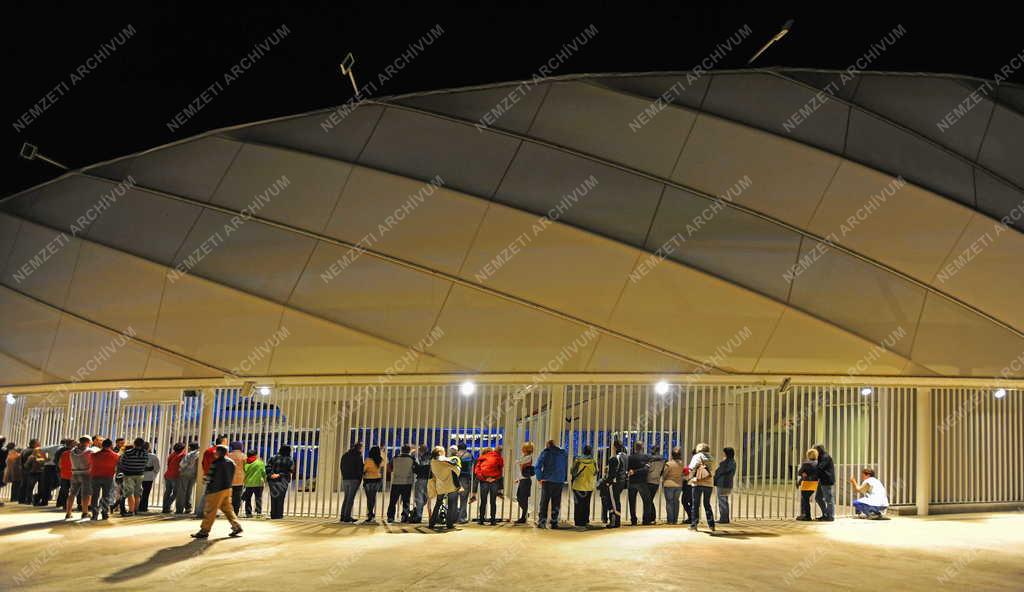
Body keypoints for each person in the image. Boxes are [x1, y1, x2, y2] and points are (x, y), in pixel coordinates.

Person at [191, 445, 243, 539]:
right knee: (228, 510)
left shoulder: (216, 463)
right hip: (227, 489)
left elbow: (209, 477)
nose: (215, 453)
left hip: (215, 490)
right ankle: (236, 526)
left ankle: (204, 530)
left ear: (219, 452)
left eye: (216, 451)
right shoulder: (231, 462)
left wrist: (205, 481)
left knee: (210, 511)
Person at [534, 439, 568, 529]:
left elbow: (537, 467)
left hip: (547, 481)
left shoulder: (546, 453)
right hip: (559, 481)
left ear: (548, 445)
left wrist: (539, 478)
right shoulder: (563, 453)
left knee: (544, 503)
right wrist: (563, 478)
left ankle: (542, 522)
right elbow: (565, 466)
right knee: (556, 503)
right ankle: (554, 522)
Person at [427, 445, 460, 530]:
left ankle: (432, 523)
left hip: (440, 485)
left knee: (438, 504)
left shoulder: (432, 461)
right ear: (440, 452)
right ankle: (449, 524)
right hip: (450, 485)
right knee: (451, 505)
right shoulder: (445, 461)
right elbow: (456, 469)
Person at [195, 435, 228, 519]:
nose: (227, 443)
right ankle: (208, 512)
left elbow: (203, 463)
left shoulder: (207, 451)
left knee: (207, 494)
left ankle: (201, 512)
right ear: (222, 442)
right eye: (226, 441)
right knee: (216, 495)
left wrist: (206, 472)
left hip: (208, 474)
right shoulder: (222, 452)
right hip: (218, 476)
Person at [598, 440, 627, 528]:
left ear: (614, 447)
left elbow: (612, 474)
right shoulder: (625, 456)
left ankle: (614, 521)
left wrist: (607, 482)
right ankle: (617, 520)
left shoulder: (614, 458)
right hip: (622, 482)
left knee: (612, 502)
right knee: (616, 501)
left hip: (614, 483)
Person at [688, 443, 715, 532]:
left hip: (698, 482)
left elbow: (691, 468)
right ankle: (711, 525)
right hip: (709, 483)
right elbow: (713, 471)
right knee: (707, 504)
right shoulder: (712, 458)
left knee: (695, 505)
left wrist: (690, 478)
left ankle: (694, 525)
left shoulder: (697, 456)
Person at [474, 446, 504, 525]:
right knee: (493, 502)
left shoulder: (481, 459)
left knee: (483, 501)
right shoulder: (497, 457)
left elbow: (477, 471)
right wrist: (495, 478)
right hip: (494, 481)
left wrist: (484, 479)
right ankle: (493, 520)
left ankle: (481, 519)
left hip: (484, 482)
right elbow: (500, 471)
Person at [90, 439, 119, 520]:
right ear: (111, 446)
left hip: (95, 477)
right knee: (106, 496)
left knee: (95, 496)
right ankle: (104, 513)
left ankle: (94, 514)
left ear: (102, 445)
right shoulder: (116, 456)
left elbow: (91, 464)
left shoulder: (93, 455)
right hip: (108, 477)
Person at [119, 438, 148, 516]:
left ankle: (131, 511)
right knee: (137, 493)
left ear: (134, 444)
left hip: (129, 474)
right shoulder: (145, 453)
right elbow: (146, 463)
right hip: (140, 474)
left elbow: (122, 462)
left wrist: (126, 468)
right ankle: (136, 510)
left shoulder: (128, 452)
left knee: (129, 492)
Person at [66, 436, 93, 520]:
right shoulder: (90, 451)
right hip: (86, 474)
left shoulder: (72, 451)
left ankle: (68, 513)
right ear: (88, 442)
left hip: (74, 473)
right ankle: (85, 512)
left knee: (72, 493)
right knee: (85, 494)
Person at [626, 441, 653, 526]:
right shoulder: (646, 457)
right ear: (642, 447)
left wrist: (633, 471)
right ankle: (646, 520)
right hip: (642, 482)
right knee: (647, 501)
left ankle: (633, 520)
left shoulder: (630, 457)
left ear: (635, 447)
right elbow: (646, 469)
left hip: (632, 482)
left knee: (632, 502)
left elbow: (628, 469)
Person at [570, 445, 597, 528]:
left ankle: (578, 522)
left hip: (578, 486)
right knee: (586, 504)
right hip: (589, 486)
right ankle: (585, 521)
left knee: (578, 505)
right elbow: (595, 472)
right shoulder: (593, 461)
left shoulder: (578, 460)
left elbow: (573, 472)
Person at [387, 445, 415, 523]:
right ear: (409, 451)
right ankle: (404, 517)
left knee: (393, 501)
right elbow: (415, 468)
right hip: (407, 482)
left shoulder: (395, 458)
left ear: (401, 450)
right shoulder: (411, 459)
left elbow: (389, 468)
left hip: (396, 482)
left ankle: (390, 517)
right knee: (406, 501)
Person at [266, 445, 295, 519]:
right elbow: (290, 471)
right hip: (283, 480)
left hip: (272, 480)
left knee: (273, 497)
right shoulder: (290, 460)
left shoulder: (272, 457)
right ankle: (279, 515)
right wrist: (279, 474)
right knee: (281, 498)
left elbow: (267, 467)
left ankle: (273, 515)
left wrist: (272, 474)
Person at [339, 443, 364, 523]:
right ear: (359, 448)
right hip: (354, 479)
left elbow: (341, 466)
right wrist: (359, 479)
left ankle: (343, 516)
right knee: (350, 499)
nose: (363, 450)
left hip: (345, 479)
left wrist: (344, 476)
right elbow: (360, 469)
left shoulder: (345, 455)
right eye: (362, 448)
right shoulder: (358, 456)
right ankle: (347, 517)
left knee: (346, 498)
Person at [662, 447, 687, 524]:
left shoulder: (668, 464)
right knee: (676, 502)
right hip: (678, 485)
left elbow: (664, 474)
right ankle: (675, 520)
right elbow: (683, 474)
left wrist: (664, 480)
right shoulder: (681, 464)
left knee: (669, 502)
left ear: (672, 455)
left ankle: (670, 520)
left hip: (669, 484)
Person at [409, 444, 431, 524]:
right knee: (426, 498)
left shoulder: (418, 458)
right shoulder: (431, 457)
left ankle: (418, 515)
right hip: (429, 480)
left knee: (419, 498)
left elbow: (416, 469)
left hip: (421, 479)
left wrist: (415, 467)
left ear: (421, 450)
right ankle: (429, 515)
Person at [514, 442, 535, 524]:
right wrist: (518, 479)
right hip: (523, 480)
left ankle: (524, 516)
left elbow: (518, 462)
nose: (521, 448)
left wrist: (519, 462)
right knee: (519, 497)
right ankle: (525, 513)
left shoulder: (528, 457)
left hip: (525, 481)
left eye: (523, 447)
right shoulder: (525, 457)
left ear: (526, 449)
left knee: (523, 499)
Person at [176, 442, 200, 514]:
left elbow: (182, 464)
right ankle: (188, 508)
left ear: (190, 447)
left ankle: (179, 509)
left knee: (182, 491)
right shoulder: (199, 454)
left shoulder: (189, 454)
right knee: (189, 491)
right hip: (194, 475)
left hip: (185, 474)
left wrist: (180, 469)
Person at [796, 448, 819, 521]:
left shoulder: (806, 463)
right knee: (806, 499)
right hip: (815, 483)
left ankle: (807, 515)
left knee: (805, 499)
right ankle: (805, 515)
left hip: (806, 483)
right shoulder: (818, 463)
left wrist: (803, 473)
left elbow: (799, 472)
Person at [242, 448, 266, 518]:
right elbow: (263, 472)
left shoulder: (245, 463)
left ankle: (248, 513)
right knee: (258, 498)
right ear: (255, 455)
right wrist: (265, 479)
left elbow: (245, 471)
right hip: (258, 483)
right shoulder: (260, 463)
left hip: (248, 484)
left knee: (248, 499)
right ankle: (258, 513)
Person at [714, 447, 736, 524]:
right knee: (724, 501)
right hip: (727, 483)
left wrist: (722, 462)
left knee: (722, 501)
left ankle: (723, 518)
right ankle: (724, 518)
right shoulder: (732, 462)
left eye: (724, 452)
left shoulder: (728, 462)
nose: (723, 454)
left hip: (723, 483)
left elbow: (721, 471)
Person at [813, 444, 835, 521]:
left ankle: (830, 516)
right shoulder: (821, 457)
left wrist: (812, 462)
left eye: (814, 450)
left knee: (828, 498)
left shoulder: (825, 457)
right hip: (822, 480)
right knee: (818, 498)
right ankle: (825, 514)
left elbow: (820, 468)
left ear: (818, 450)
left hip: (827, 480)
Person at [362, 445, 384, 523]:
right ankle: (371, 513)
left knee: (369, 498)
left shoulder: (368, 460)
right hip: (377, 480)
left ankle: (370, 513)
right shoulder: (380, 460)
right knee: (373, 497)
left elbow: (364, 470)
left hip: (368, 480)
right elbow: (382, 467)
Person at [645, 445, 666, 524]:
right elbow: (662, 471)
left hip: (649, 480)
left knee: (649, 500)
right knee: (650, 500)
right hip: (656, 481)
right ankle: (652, 518)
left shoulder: (651, 460)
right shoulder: (663, 460)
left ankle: (651, 518)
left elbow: (648, 470)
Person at [162, 443, 186, 513]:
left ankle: (165, 508)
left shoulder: (171, 454)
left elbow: (168, 464)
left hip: (167, 475)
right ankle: (167, 506)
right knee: (176, 493)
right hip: (175, 476)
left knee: (167, 491)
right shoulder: (182, 455)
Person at [455, 442, 475, 524]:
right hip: (465, 479)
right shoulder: (469, 455)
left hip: (454, 479)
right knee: (463, 500)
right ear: (465, 448)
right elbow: (473, 464)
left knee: (454, 499)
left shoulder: (455, 456)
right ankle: (462, 518)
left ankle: (453, 517)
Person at [140, 441, 161, 512]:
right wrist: (153, 475)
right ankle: (143, 508)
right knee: (146, 493)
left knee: (138, 492)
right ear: (149, 447)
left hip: (138, 475)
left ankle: (138, 506)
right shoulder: (153, 456)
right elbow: (157, 468)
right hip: (148, 477)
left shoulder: (138, 455)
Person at [26, 441, 48, 506]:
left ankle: (30, 500)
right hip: (38, 473)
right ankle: (33, 500)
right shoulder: (34, 457)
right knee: (37, 487)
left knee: (31, 487)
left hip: (34, 473)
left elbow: (26, 465)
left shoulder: (32, 457)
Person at [227, 442, 246, 514]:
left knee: (229, 496)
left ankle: (230, 511)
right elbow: (246, 468)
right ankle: (236, 511)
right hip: (240, 479)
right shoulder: (244, 456)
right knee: (237, 497)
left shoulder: (229, 456)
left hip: (230, 479)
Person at [41, 441, 62, 506]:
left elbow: (40, 450)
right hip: (56, 467)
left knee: (47, 484)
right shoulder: (63, 448)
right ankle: (42, 496)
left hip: (48, 466)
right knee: (58, 483)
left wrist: (45, 459)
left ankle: (43, 500)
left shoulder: (52, 446)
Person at [55, 439, 74, 509]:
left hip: (63, 473)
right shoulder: (71, 453)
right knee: (69, 490)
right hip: (70, 474)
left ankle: (62, 504)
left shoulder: (61, 451)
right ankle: (65, 505)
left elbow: (58, 462)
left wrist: (61, 470)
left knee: (64, 489)